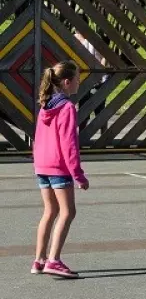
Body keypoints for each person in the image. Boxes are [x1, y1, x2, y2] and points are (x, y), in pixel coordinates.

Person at [32, 61, 89, 279]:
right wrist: (78, 175)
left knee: (49, 211)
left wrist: (38, 164)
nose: (78, 83)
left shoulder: (45, 105)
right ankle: (53, 260)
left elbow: (38, 138)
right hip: (58, 167)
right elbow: (69, 143)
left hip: (42, 166)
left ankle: (39, 260)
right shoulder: (66, 107)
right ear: (67, 82)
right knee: (67, 211)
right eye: (77, 80)